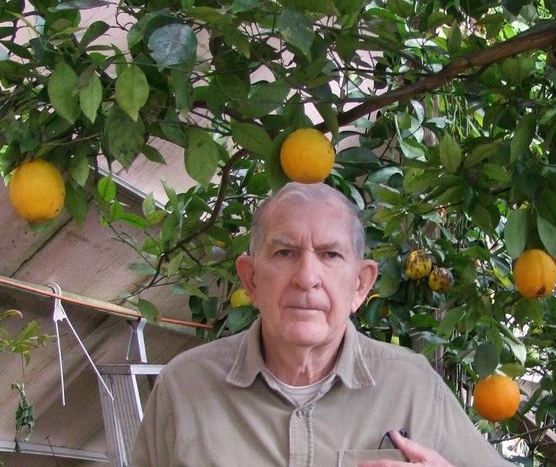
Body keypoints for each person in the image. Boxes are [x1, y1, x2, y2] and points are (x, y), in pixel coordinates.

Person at [130, 182, 514, 466]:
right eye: (285, 252)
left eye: (330, 254)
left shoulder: (412, 387)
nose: (306, 277)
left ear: (360, 284)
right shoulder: (183, 389)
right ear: (251, 280)